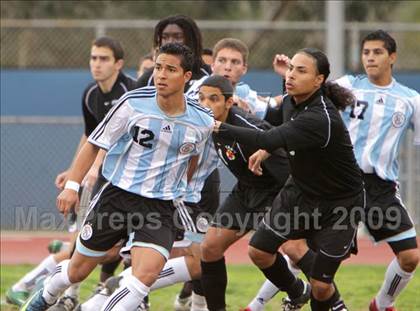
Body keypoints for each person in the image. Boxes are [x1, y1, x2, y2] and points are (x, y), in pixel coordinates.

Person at [20, 42, 214, 311]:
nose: (161, 74)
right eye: (158, 67)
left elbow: (193, 160)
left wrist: (178, 189)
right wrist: (72, 187)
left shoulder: (202, 121)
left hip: (159, 206)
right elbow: (94, 143)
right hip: (117, 196)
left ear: (186, 77)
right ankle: (46, 294)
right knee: (77, 271)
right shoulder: (133, 103)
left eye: (170, 69)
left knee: (144, 276)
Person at [213, 48, 365, 311]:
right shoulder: (289, 102)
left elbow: (266, 137)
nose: (292, 75)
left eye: (301, 70)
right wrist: (266, 149)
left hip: (339, 204)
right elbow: (276, 132)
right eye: (291, 68)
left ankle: (324, 299)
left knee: (321, 284)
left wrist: (217, 126)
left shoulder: (320, 117)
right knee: (259, 251)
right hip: (300, 193)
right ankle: (297, 292)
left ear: (319, 80)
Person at [6, 36, 136, 310]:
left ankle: (40, 286)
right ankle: (57, 293)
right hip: (104, 180)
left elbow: (120, 139)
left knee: (108, 248)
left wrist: (96, 166)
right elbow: (91, 136)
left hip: (127, 181)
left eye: (104, 59)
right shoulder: (90, 93)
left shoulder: (130, 92)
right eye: (93, 58)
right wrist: (73, 172)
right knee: (86, 244)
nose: (97, 64)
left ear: (119, 64)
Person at [335, 30, 419, 311]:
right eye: (366, 52)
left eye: (377, 52)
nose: (370, 58)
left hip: (380, 189)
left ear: (392, 57)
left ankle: (382, 304)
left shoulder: (410, 100)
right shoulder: (347, 86)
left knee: (409, 257)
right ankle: (258, 304)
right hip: (341, 184)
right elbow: (310, 97)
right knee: (305, 252)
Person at [198, 75, 293, 311]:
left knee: (293, 250)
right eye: (201, 99)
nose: (205, 104)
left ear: (229, 103)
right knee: (209, 248)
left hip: (275, 192)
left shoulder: (245, 123)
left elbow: (276, 144)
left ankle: (314, 296)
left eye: (213, 99)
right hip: (245, 192)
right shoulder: (206, 122)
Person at [137, 14, 211, 92]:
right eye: (165, 37)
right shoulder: (148, 79)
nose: (170, 42)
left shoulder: (207, 76)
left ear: (191, 40)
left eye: (178, 37)